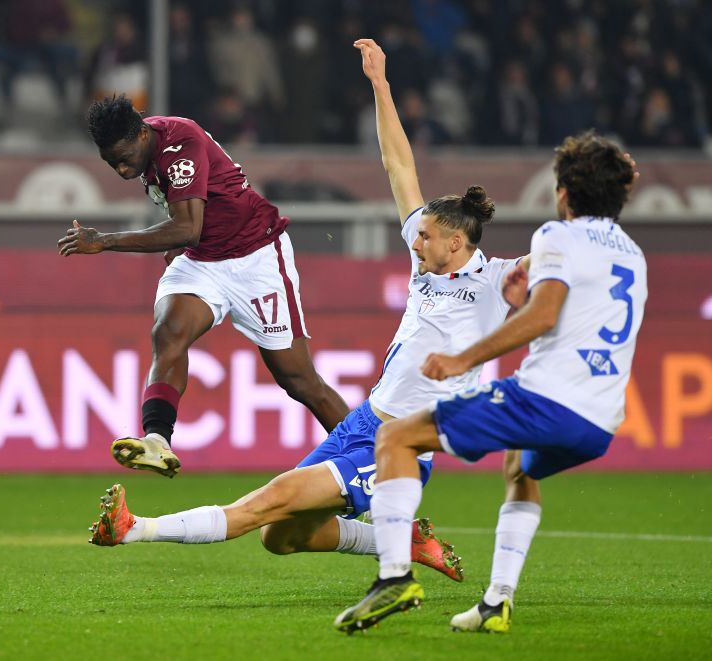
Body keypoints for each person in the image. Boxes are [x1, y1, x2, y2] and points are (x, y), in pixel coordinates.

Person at [82, 38, 532, 582]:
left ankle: (134, 528)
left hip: (403, 444)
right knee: (283, 535)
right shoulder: (428, 260)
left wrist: (593, 213)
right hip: (365, 421)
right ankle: (399, 538)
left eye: (425, 239)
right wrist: (381, 86)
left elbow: (563, 261)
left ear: (457, 243)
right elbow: (398, 165)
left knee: (268, 501)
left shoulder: (500, 279)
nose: (412, 245)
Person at [333, 129, 645, 634]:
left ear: (562, 193)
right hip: (602, 418)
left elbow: (543, 314)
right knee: (520, 468)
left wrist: (464, 360)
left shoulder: (556, 237)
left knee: (395, 437)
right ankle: (496, 602)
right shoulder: (631, 253)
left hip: (546, 399)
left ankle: (393, 576)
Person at [58, 94, 351, 477]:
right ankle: (157, 441)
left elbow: (187, 227)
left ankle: (373, 460)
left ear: (143, 135)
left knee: (299, 381)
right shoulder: (145, 148)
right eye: (111, 161)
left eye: (124, 156)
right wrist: (178, 242)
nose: (121, 168)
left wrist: (105, 241)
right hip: (203, 259)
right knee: (169, 331)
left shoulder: (179, 145)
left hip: (255, 255)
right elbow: (197, 221)